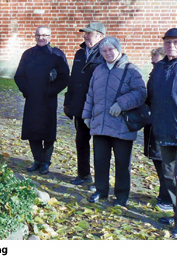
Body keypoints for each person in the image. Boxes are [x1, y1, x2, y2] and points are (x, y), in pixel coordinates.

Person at [82, 37, 146, 207]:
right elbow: (91, 94)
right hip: (100, 123)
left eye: (111, 49)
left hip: (121, 125)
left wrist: (121, 104)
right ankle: (101, 190)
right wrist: (87, 115)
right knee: (100, 160)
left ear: (118, 49)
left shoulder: (131, 70)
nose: (108, 53)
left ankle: (121, 195)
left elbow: (141, 93)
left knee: (122, 163)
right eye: (104, 51)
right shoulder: (98, 70)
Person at [147, 28, 177, 238]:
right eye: (167, 42)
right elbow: (151, 97)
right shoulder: (159, 68)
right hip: (164, 132)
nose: (171, 46)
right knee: (167, 176)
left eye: (176, 42)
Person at [14, 26, 69, 175]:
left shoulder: (56, 54)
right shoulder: (28, 54)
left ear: (50, 37)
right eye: (38, 35)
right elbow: (19, 76)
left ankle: (46, 162)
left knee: (48, 132)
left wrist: (51, 91)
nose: (41, 38)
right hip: (32, 99)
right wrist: (27, 91)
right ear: (35, 36)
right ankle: (37, 159)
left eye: (45, 35)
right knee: (33, 131)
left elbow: (65, 77)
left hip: (48, 100)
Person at [63, 22, 106, 186]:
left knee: (100, 144)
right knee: (81, 140)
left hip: (98, 107)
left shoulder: (105, 53)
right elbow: (73, 79)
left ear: (101, 36)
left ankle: (101, 180)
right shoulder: (80, 53)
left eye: (90, 33)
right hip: (81, 107)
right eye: (85, 33)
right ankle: (84, 174)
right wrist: (68, 102)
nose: (85, 36)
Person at [143, 47, 172, 212]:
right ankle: (163, 194)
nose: (154, 67)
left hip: (164, 128)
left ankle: (167, 199)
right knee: (158, 161)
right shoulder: (153, 77)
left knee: (165, 165)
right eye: (152, 64)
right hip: (152, 126)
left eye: (157, 63)